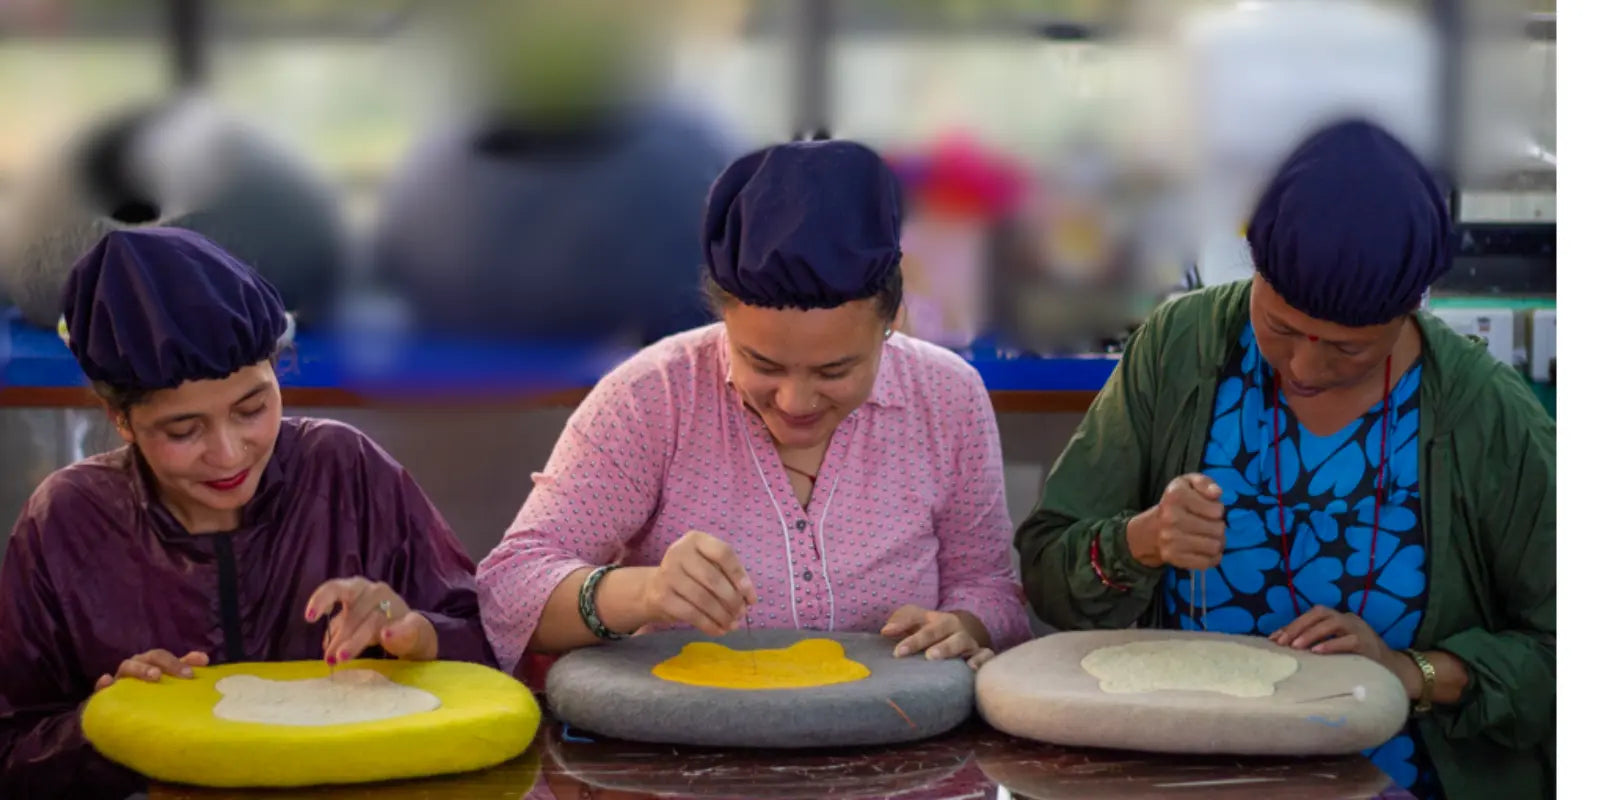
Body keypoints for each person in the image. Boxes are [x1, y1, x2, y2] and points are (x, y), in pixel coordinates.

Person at [1014, 119, 1554, 800]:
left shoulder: (1487, 415)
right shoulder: (1182, 347)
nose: (1302, 367)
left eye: (1346, 350)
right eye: (1280, 328)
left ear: (1409, 312)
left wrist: (1411, 671)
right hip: (1182, 777)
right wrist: (1139, 542)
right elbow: (1047, 571)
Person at [478, 140, 1030, 685]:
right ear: (724, 318)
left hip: (902, 746)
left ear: (891, 321)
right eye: (761, 363)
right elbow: (507, 590)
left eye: (835, 371)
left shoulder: (947, 397)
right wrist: (641, 593)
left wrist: (962, 626)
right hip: (680, 750)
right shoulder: (652, 398)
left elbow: (989, 588)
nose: (796, 402)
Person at [0, 228, 494, 798]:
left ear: (276, 373)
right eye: (183, 430)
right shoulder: (67, 521)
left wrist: (420, 633)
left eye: (252, 408)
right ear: (121, 421)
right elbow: (12, 749)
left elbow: (497, 654)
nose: (229, 454)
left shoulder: (346, 470)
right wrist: (105, 726)